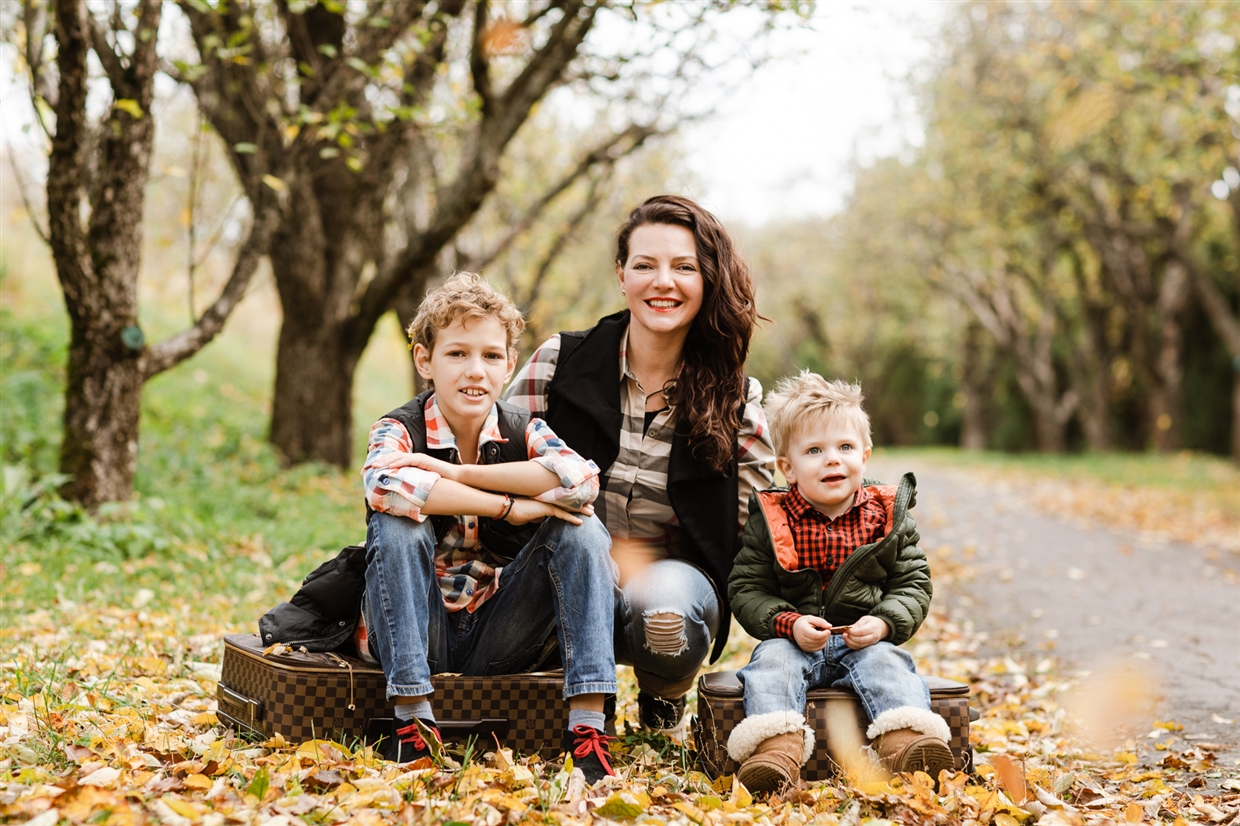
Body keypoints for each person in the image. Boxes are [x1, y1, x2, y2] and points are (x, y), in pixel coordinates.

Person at [505, 195, 775, 733]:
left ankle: (663, 692)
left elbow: (759, 530)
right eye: (645, 265)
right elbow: (494, 454)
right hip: (558, 572)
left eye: (684, 267)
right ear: (621, 275)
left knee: (666, 608)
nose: (663, 282)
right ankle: (576, 690)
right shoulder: (559, 363)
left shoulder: (736, 400)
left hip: (670, 582)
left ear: (707, 280)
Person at [358, 273, 618, 783]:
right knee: (398, 526)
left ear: (509, 365)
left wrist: (458, 473)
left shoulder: (526, 430)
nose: (475, 371)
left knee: (583, 530)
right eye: (457, 354)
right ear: (423, 360)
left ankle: (587, 730)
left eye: (491, 356)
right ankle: (413, 726)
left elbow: (581, 480)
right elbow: (386, 484)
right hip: (417, 628)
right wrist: (510, 506)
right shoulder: (399, 427)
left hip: (502, 628)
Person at [725, 372, 953, 792]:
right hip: (794, 639)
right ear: (787, 468)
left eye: (844, 447)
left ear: (864, 456)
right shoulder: (772, 519)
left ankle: (908, 744)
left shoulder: (888, 517)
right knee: (770, 665)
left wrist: (884, 623)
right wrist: (788, 623)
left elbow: (913, 583)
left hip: (862, 640)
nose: (833, 459)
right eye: (814, 450)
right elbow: (746, 587)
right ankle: (775, 752)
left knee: (889, 665)